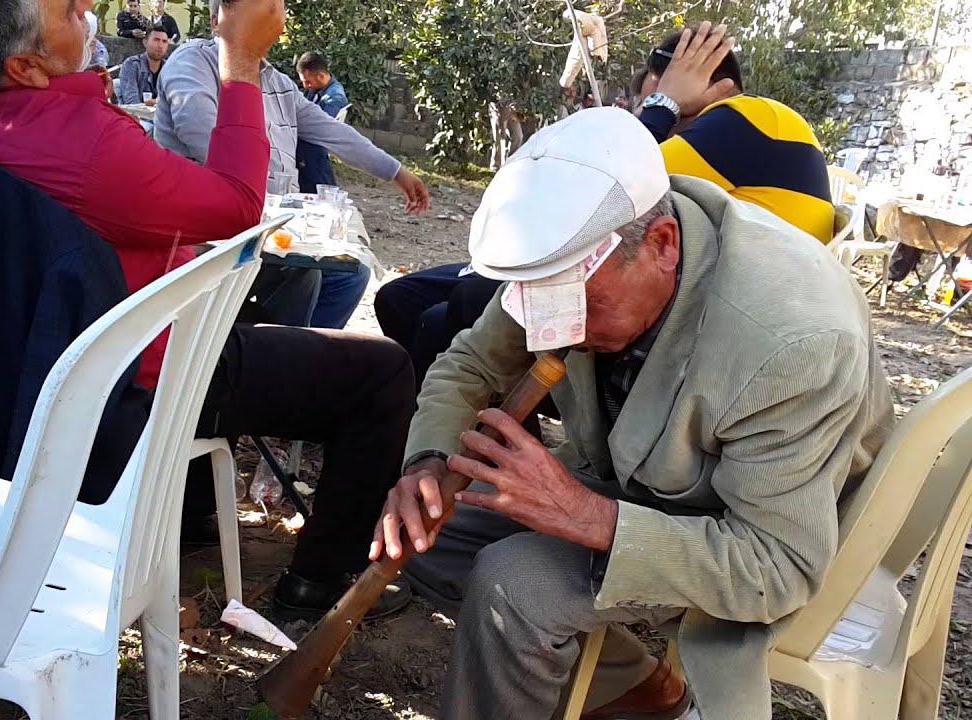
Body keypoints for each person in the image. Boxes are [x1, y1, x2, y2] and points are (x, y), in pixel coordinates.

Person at [0, 0, 416, 619]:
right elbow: (236, 206)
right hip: (122, 386)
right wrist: (242, 60)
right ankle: (320, 581)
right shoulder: (86, 145)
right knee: (381, 372)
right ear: (27, 65)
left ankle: (189, 511)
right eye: (66, 10)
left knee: (234, 315)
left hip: (12, 369)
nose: (87, 9)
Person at [375, 107, 895, 720]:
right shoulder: (570, 259)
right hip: (645, 483)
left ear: (663, 246)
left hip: (763, 523)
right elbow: (470, 365)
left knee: (512, 584)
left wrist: (584, 515)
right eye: (540, 305)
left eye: (578, 304)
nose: (554, 328)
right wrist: (427, 464)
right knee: (421, 536)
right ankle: (638, 686)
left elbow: (777, 567)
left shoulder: (793, 342)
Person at [374, 22, 833, 395]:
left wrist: (664, 104)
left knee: (457, 312)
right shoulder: (698, 142)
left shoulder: (752, 115)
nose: (654, 104)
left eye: (667, 93)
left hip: (712, 315)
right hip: (658, 277)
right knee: (403, 298)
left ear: (718, 86)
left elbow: (603, 171)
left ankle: (496, 452)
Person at [156, 0, 430, 329]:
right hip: (207, 239)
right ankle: (272, 358)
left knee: (351, 275)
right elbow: (199, 131)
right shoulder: (193, 62)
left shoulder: (279, 84)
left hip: (271, 232)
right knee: (305, 274)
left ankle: (295, 353)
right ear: (217, 21)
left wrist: (395, 171)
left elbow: (334, 133)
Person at [638, 22, 835, 244]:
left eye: (657, 101)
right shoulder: (758, 120)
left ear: (705, 82)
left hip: (771, 275)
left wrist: (663, 106)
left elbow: (616, 181)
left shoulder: (743, 118)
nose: (660, 123)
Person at [294, 51, 348, 193]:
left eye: (307, 81)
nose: (306, 86)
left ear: (321, 76)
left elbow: (321, 128)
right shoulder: (317, 88)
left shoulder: (334, 98)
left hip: (314, 154)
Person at [118, 26, 170, 104]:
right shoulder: (132, 65)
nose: (160, 45)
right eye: (156, 40)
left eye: (164, 41)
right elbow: (131, 102)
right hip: (137, 115)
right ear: (145, 43)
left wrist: (156, 102)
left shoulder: (170, 68)